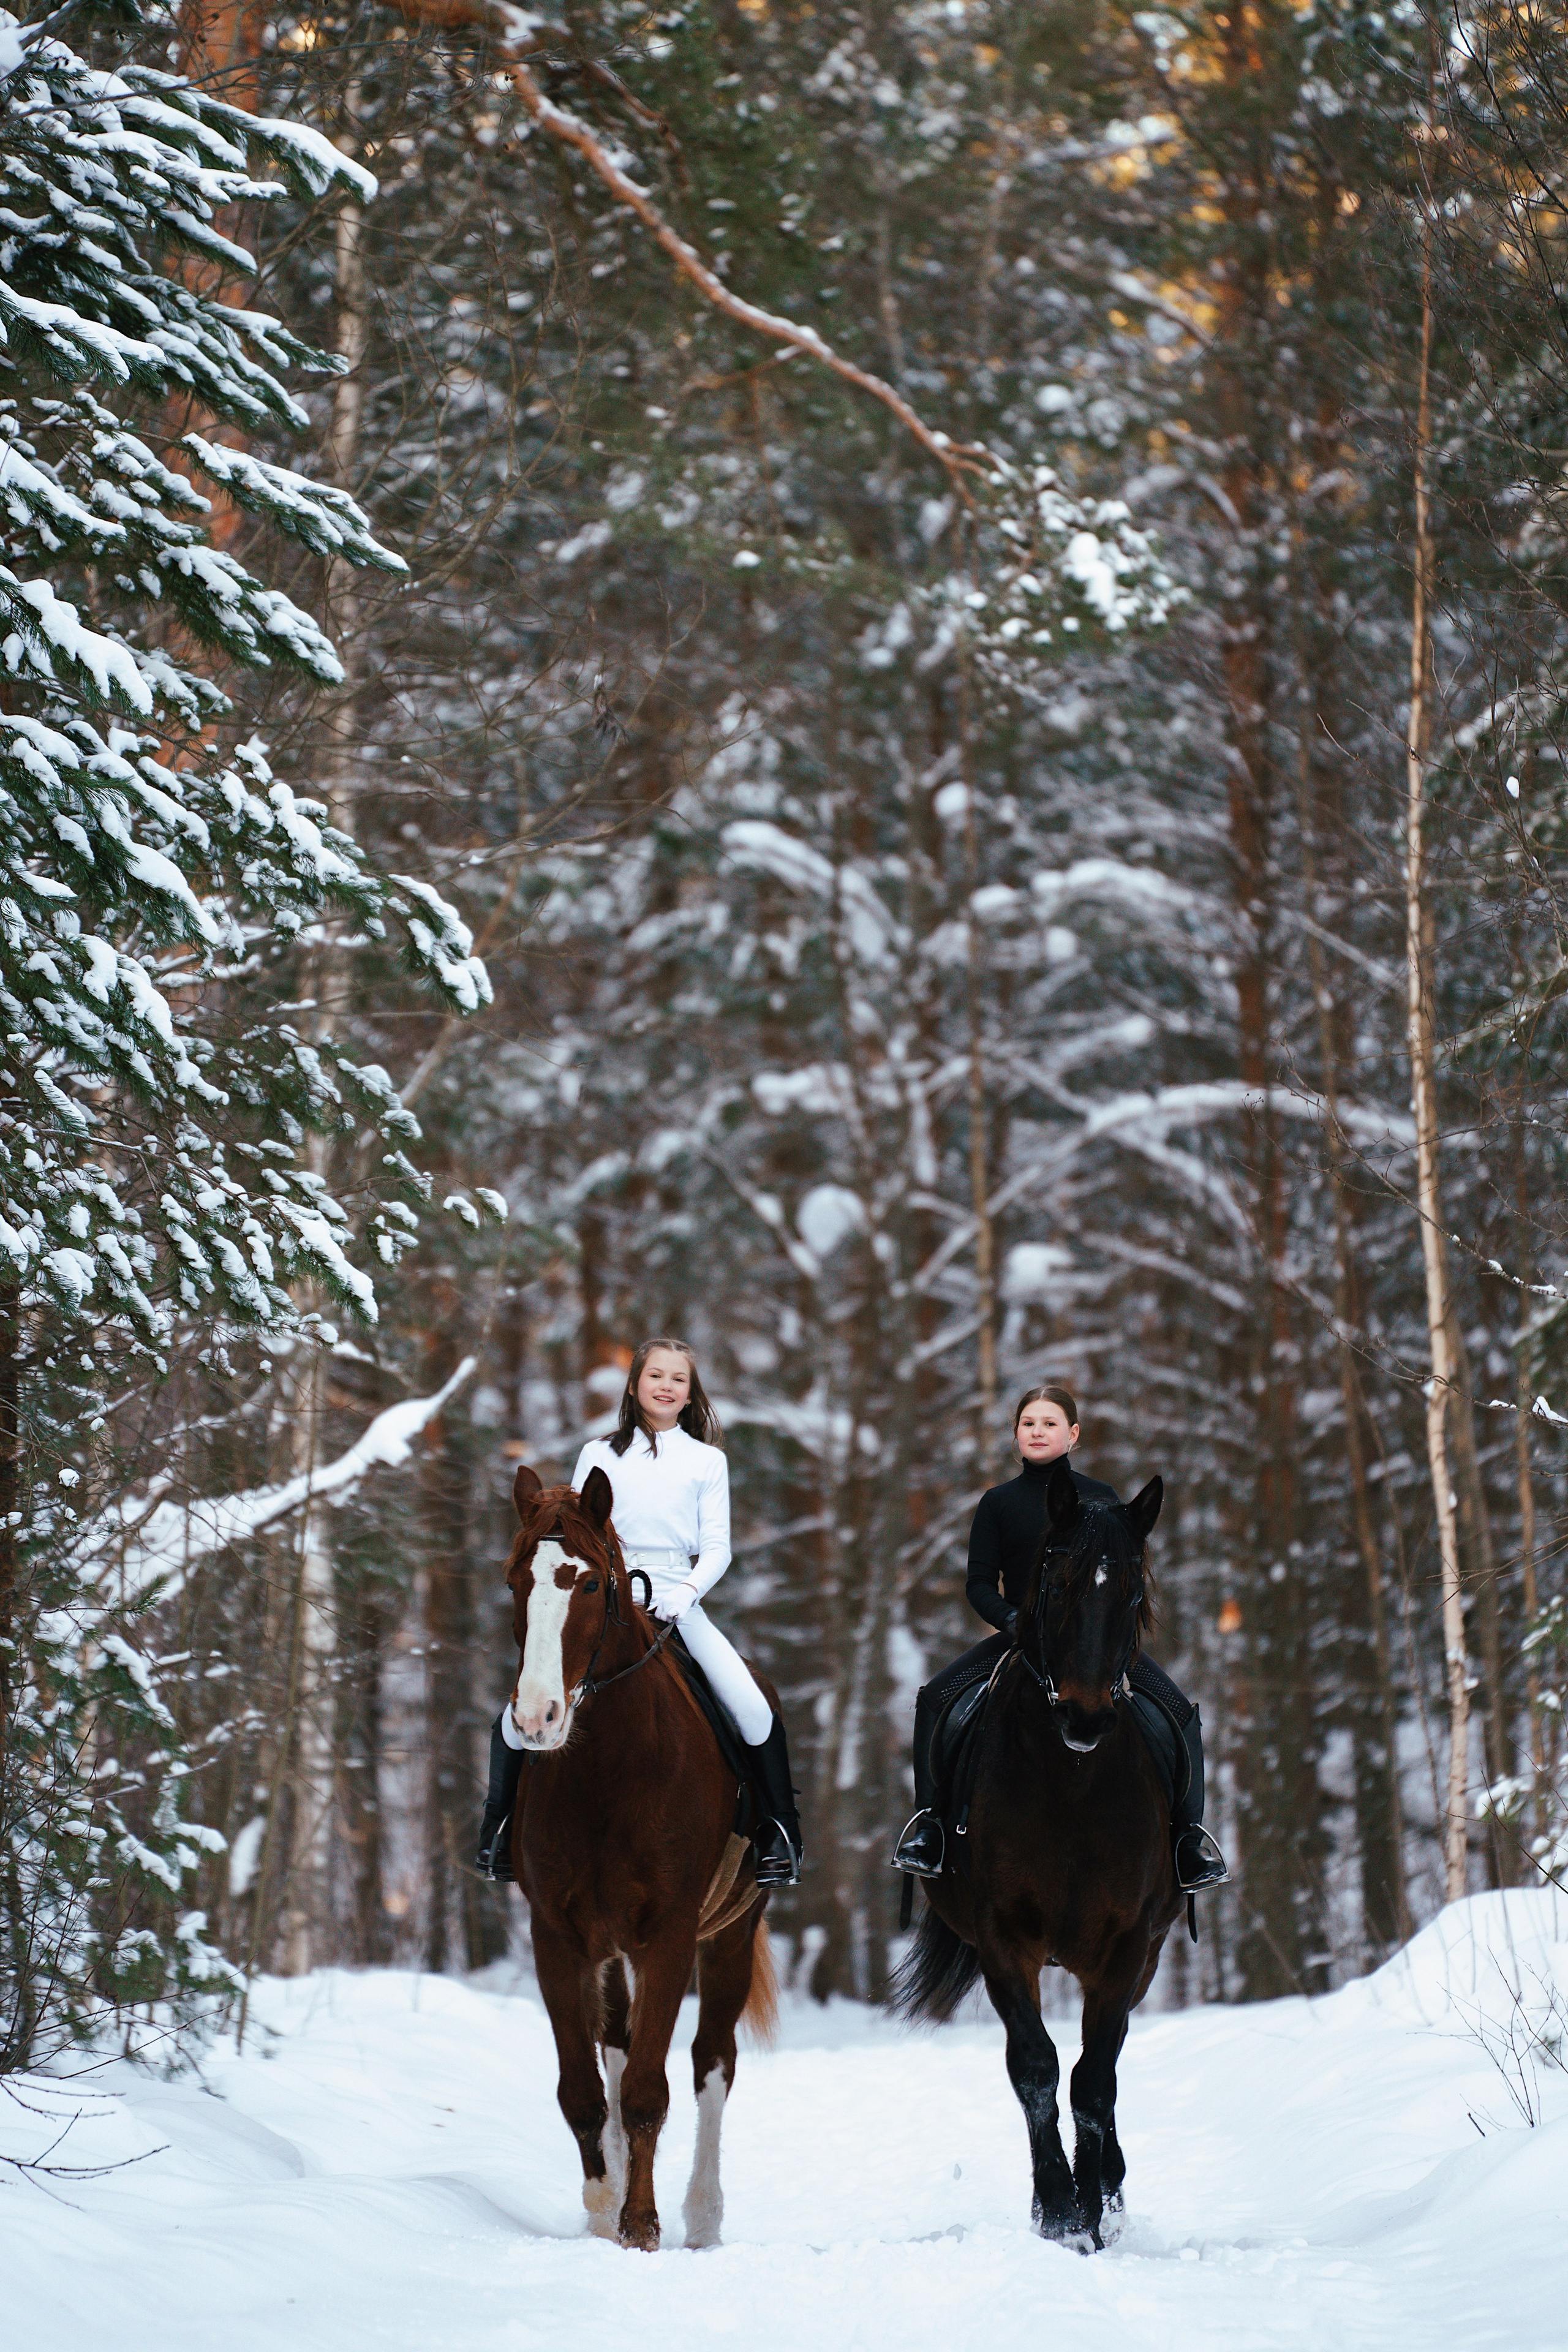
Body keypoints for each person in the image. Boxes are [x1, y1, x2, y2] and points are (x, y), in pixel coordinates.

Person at [477, 1338, 804, 1889]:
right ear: (635, 1386)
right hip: (603, 1597)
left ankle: (781, 1834)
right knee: (515, 1717)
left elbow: (719, 1546)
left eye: (678, 1379)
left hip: (678, 1594)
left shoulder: (706, 1461)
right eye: (656, 1376)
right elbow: (578, 1533)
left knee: (753, 1706)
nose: (666, 1386)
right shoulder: (598, 1453)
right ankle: (498, 1831)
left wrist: (686, 1592)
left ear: (690, 1393)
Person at [889, 1383, 1227, 1893]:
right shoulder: (997, 1503)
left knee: (1180, 1714)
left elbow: (1122, 1583)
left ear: (1072, 1434)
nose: (1038, 1432)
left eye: (1049, 1423)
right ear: (1015, 1435)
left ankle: (1187, 1840)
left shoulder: (1104, 1500)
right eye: (1028, 1423)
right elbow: (979, 1584)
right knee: (935, 1699)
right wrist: (1012, 1621)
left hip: (1097, 1648)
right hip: (1022, 1640)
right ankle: (931, 1830)